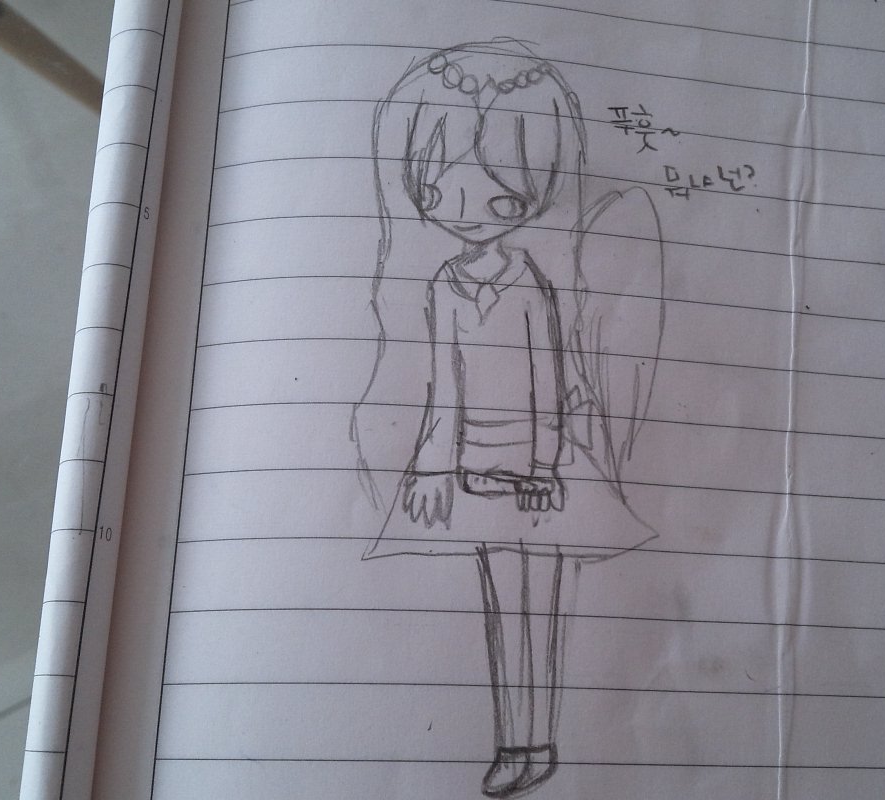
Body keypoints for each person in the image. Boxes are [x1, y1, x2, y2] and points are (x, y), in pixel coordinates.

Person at [351, 39, 662, 797]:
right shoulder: (445, 286)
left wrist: (547, 465)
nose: (466, 213)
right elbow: (444, 389)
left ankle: (540, 742)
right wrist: (432, 466)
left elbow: (546, 379)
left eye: (500, 194)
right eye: (440, 190)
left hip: (539, 467)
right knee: (501, 602)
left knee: (541, 604)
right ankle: (511, 743)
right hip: (473, 465)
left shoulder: (530, 286)